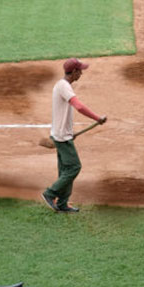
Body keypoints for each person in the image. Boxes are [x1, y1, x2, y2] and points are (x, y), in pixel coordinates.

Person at [41, 58, 107, 213]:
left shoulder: (61, 85)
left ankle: (63, 204)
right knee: (74, 167)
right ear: (74, 72)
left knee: (65, 170)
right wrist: (97, 118)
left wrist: (70, 133)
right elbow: (79, 106)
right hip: (62, 138)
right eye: (80, 70)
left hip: (61, 135)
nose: (82, 73)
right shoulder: (64, 87)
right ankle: (50, 193)